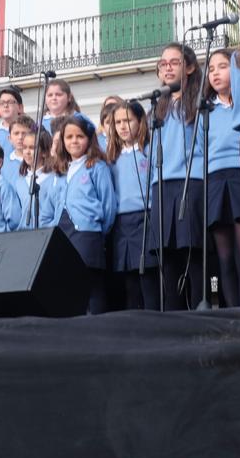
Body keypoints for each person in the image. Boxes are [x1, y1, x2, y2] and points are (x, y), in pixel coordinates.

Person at [148, 42, 207, 310]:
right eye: (163, 63)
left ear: (190, 67)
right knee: (167, 257)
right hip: (161, 186)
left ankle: (198, 311)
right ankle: (172, 315)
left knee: (191, 252)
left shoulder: (197, 103)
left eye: (175, 62)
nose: (168, 67)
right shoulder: (157, 108)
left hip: (190, 183)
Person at [42, 116, 116, 314]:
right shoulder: (60, 171)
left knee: (91, 285)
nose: (74, 141)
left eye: (80, 136)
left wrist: (98, 228)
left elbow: (108, 205)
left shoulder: (97, 167)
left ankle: (97, 327)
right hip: (64, 233)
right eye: (69, 137)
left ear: (89, 139)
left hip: (87, 233)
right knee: (69, 284)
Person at [204, 49, 240, 307]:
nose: (215, 73)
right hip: (215, 182)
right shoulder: (204, 112)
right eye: (211, 69)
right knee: (224, 258)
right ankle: (233, 315)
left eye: (222, 66)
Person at [107, 100, 160, 310]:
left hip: (145, 218)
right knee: (129, 282)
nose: (122, 126)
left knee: (148, 278)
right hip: (122, 222)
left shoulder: (149, 149)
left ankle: (155, 324)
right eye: (118, 122)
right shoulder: (112, 157)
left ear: (140, 121)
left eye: (128, 120)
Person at [13, 128, 53, 230]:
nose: (27, 152)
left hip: (47, 234)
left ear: (44, 152)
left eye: (32, 148)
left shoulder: (53, 179)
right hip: (24, 236)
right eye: (25, 147)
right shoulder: (19, 182)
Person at [1, 115, 35, 186]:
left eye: (24, 133)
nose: (20, 137)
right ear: (9, 138)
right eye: (16, 133)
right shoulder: (3, 164)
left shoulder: (39, 160)